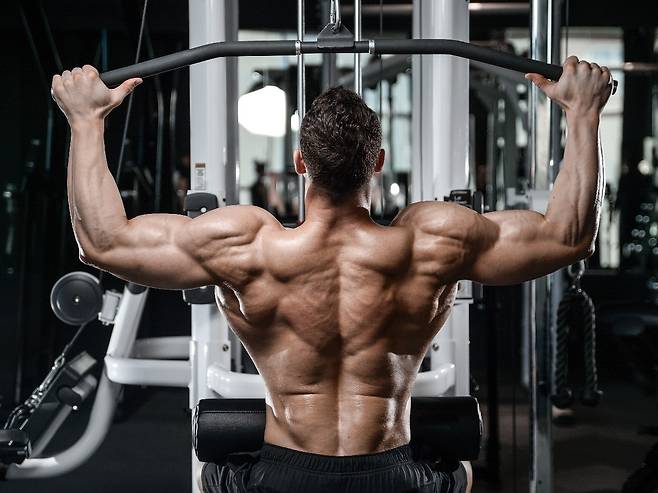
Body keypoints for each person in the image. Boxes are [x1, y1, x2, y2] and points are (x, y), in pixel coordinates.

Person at [50, 56, 612, 493]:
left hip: (282, 476)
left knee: (210, 476)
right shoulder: (432, 240)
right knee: (459, 476)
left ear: (301, 163)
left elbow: (102, 242)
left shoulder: (245, 244)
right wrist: (583, 115)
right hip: (392, 474)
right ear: (377, 163)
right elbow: (568, 237)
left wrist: (86, 120)